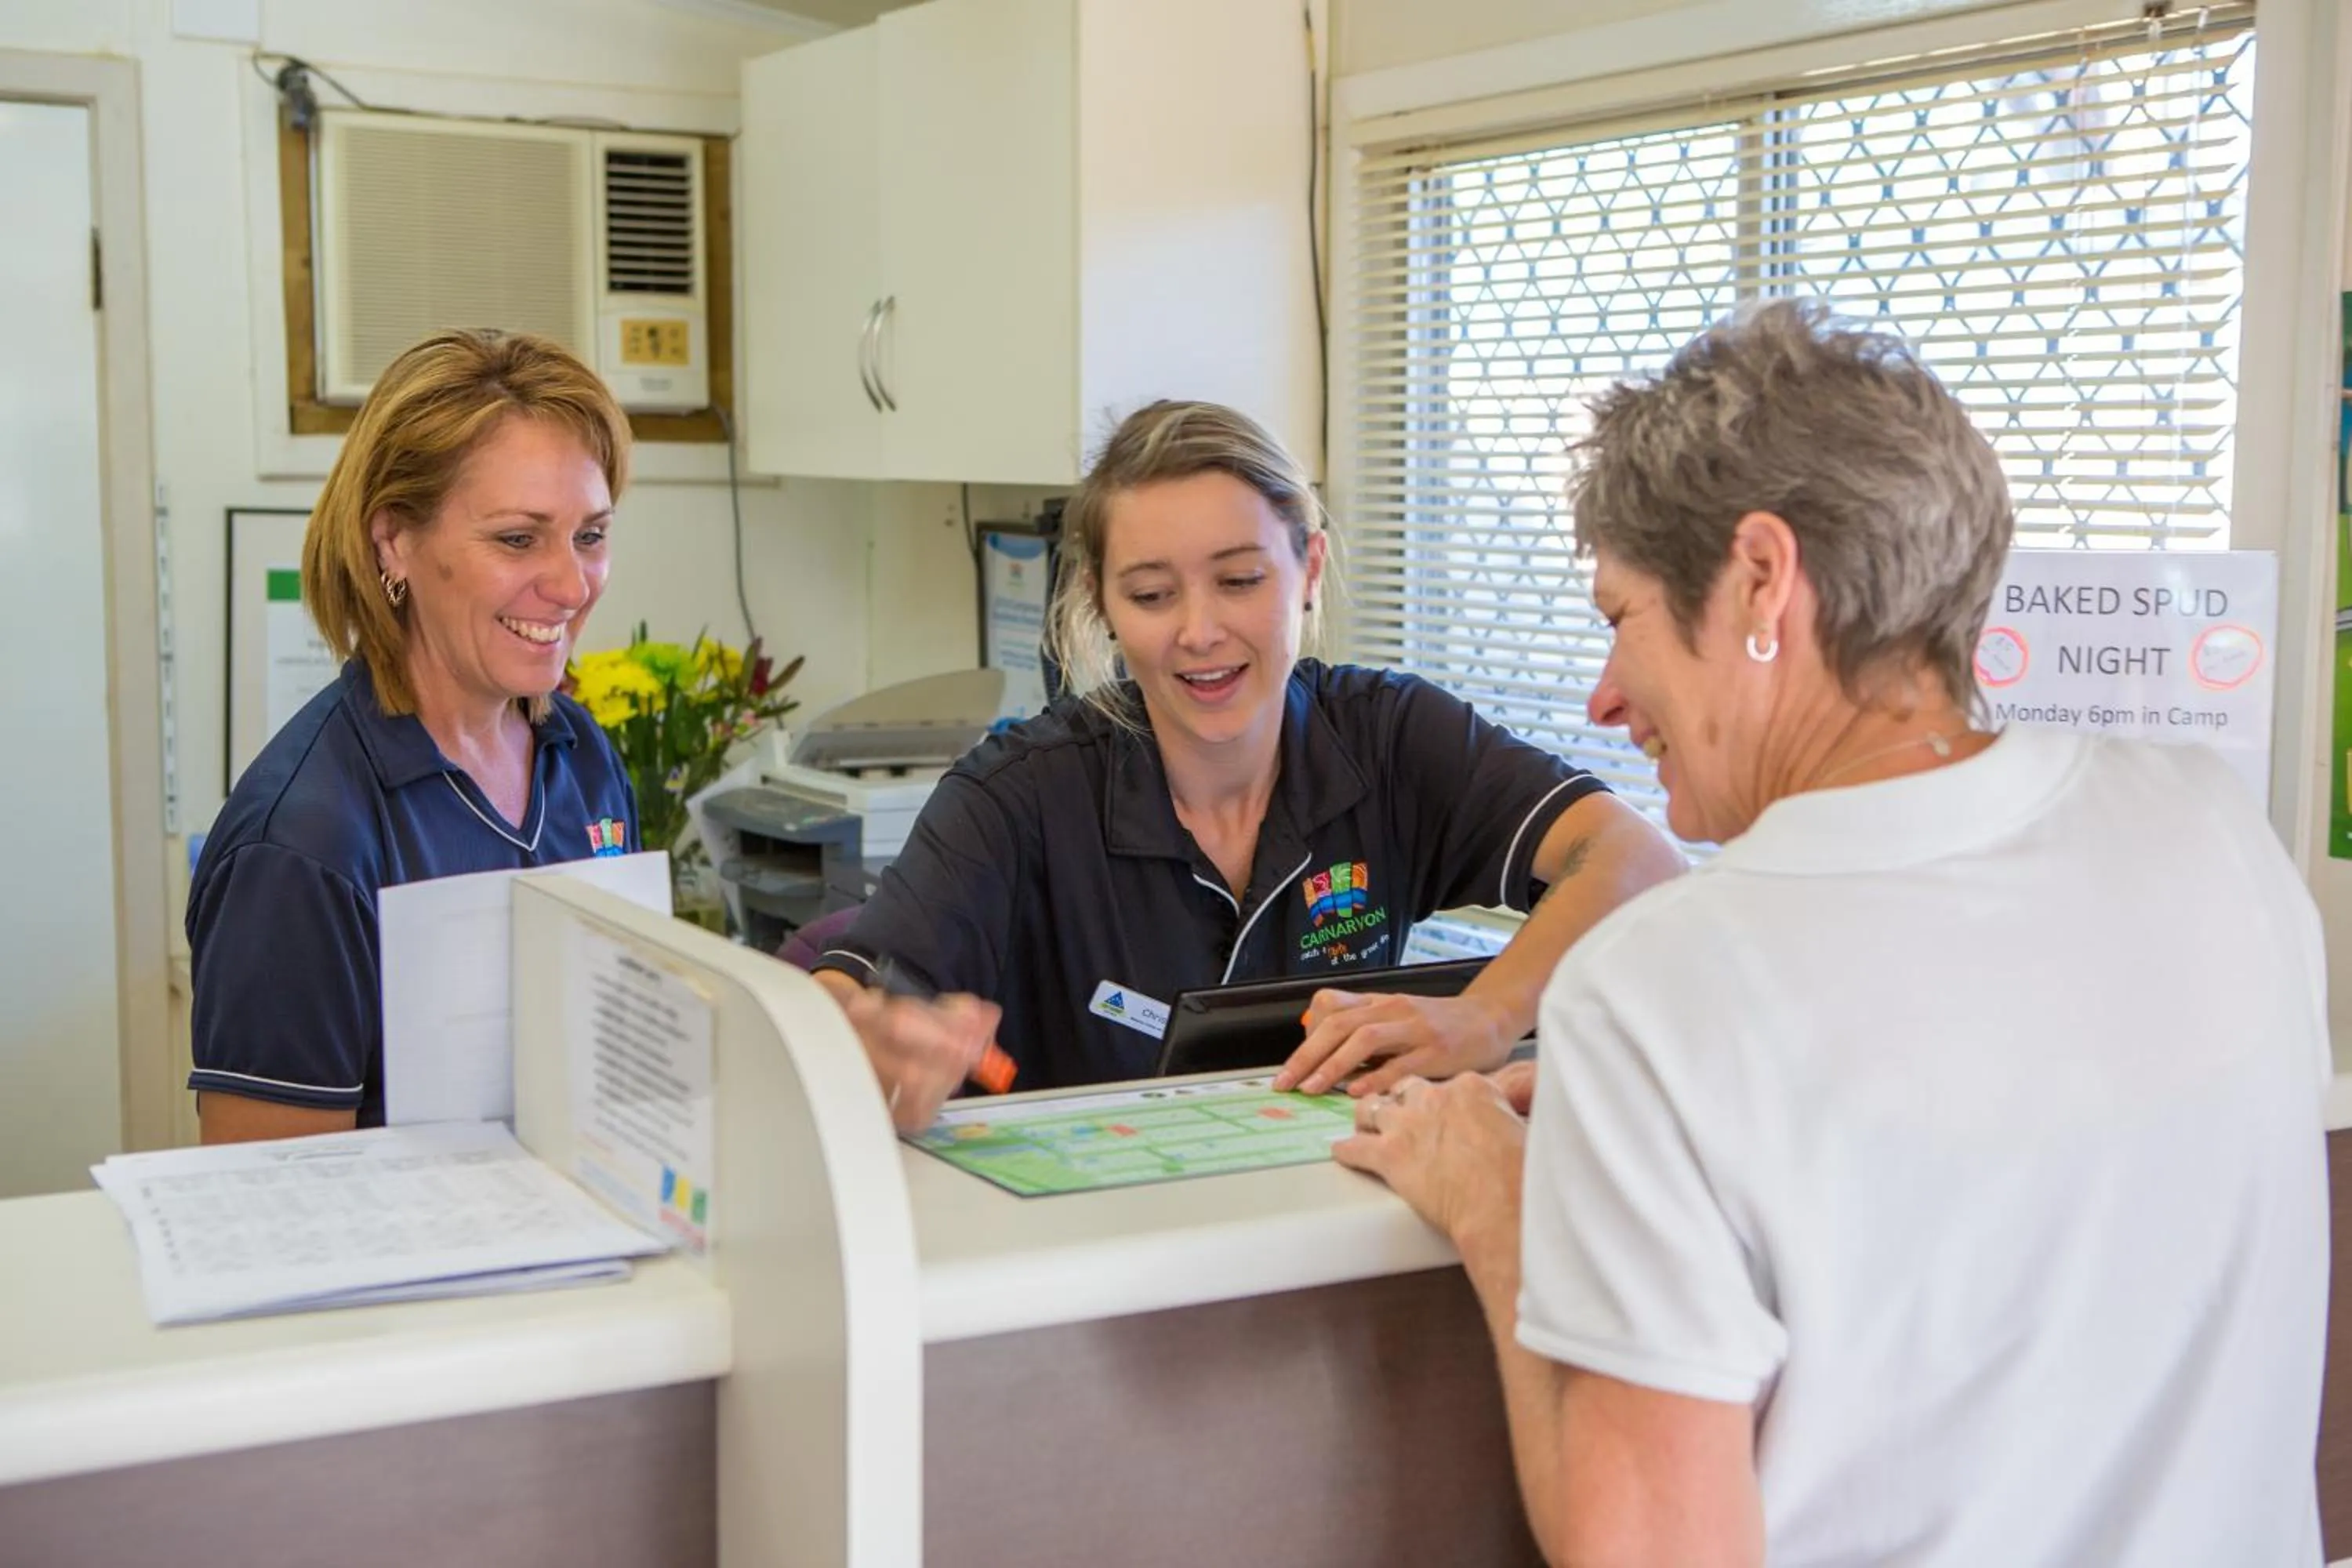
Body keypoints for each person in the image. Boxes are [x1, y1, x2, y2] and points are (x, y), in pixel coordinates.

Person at [1338, 300, 2328, 1566]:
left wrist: (1499, 1205)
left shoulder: (1667, 986)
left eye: (1619, 617)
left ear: (1761, 579)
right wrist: (1658, 1149)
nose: (1602, 695)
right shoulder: (2204, 827)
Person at [812, 400, 1686, 1131]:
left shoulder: (1389, 736)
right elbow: (832, 1001)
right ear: (1102, 604)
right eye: (1152, 594)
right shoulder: (1016, 796)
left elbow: (1639, 860)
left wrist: (1486, 1015)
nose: (1198, 631)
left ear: (1308, 567)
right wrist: (867, 1042)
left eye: (1238, 580)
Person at [187, 329, 638, 1144]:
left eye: (591, 534)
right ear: (394, 539)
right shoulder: (300, 842)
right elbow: (269, 1209)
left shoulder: (585, 761)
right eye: (517, 537)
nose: (572, 584)